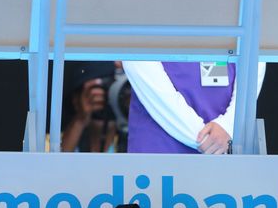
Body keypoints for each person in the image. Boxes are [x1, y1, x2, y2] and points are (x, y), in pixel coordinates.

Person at [122, 61, 266, 154]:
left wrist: (229, 125)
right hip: (162, 145)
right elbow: (139, 62)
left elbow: (255, 50)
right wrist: (203, 138)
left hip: (225, 142)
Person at [61, 61, 125, 152]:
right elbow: (55, 162)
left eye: (112, 86)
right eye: (101, 87)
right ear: (75, 99)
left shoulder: (131, 140)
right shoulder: (52, 139)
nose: (107, 96)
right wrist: (80, 119)